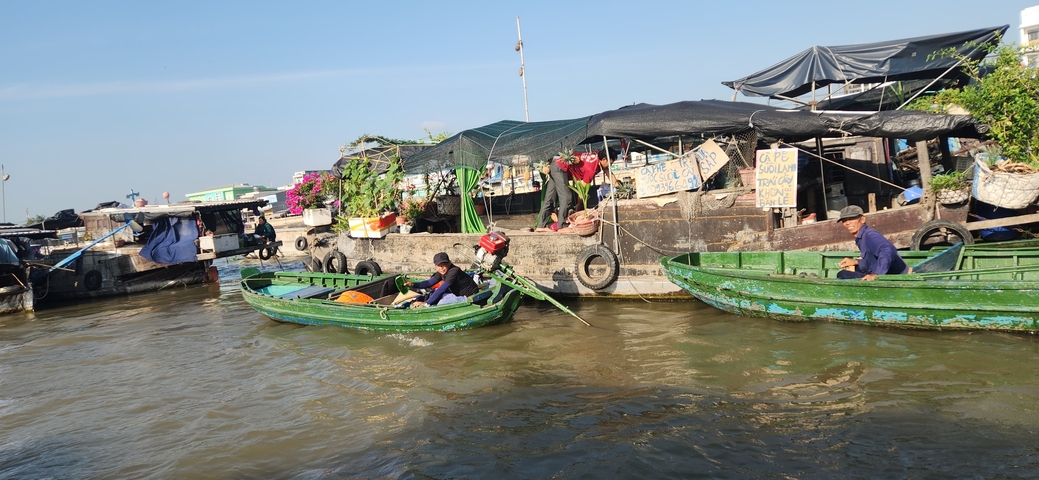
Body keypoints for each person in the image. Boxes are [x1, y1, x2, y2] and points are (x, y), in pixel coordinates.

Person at [836, 205, 909, 280]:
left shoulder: (869, 234)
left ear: (863, 219)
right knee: (853, 270)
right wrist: (856, 262)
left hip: (893, 276)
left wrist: (877, 275)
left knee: (842, 274)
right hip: (884, 273)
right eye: (844, 220)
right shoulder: (861, 237)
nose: (847, 223)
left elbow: (887, 249)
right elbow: (872, 261)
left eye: (851, 219)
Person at [405, 252, 479, 306]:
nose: (441, 268)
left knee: (441, 303)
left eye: (444, 265)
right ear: (435, 266)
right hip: (456, 294)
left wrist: (426, 303)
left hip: (469, 296)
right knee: (433, 294)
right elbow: (429, 283)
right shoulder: (442, 272)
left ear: (449, 263)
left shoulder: (454, 271)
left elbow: (442, 289)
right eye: (439, 266)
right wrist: (412, 284)